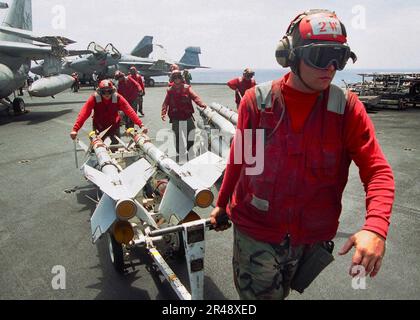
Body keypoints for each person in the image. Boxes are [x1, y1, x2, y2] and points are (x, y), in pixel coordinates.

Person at [210, 9, 395, 300]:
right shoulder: (257, 102)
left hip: (311, 238)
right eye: (321, 56)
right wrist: (222, 204)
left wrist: (376, 227)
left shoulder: (346, 108)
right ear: (291, 55)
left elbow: (377, 170)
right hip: (256, 232)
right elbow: (241, 158)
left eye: (339, 57)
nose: (331, 68)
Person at [70, 79, 147, 143]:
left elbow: (129, 111)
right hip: (99, 128)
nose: (107, 94)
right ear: (99, 92)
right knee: (98, 148)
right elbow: (84, 113)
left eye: (109, 91)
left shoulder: (117, 97)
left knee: (115, 148)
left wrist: (141, 124)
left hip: (114, 127)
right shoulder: (94, 98)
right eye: (104, 92)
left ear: (112, 91)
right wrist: (75, 129)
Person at [161, 70, 207, 162]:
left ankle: (190, 149)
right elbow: (165, 103)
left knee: (192, 132)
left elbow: (195, 97)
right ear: (172, 79)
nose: (177, 79)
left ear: (181, 78)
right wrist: (163, 113)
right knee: (177, 135)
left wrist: (201, 104)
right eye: (175, 77)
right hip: (176, 117)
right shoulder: (170, 90)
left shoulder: (187, 88)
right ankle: (180, 152)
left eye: (178, 77)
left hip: (187, 115)